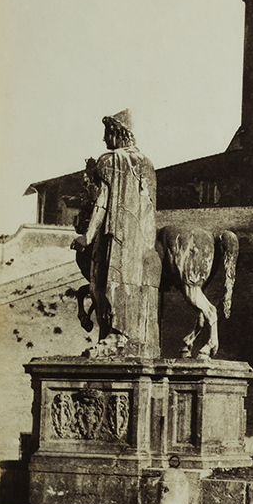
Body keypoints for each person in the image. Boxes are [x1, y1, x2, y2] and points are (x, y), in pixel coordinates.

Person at [71, 110, 160, 357]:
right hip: (141, 241)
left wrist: (87, 236)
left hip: (115, 235)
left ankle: (114, 336)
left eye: (106, 133)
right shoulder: (147, 164)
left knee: (101, 284)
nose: (103, 139)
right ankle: (132, 339)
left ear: (115, 132)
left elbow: (101, 202)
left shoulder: (109, 161)